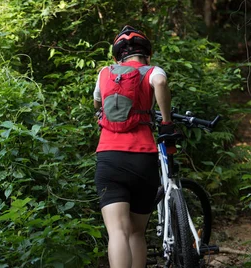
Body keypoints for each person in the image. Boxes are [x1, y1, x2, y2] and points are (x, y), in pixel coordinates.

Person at [92, 25, 174, 268]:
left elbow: (97, 103)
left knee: (117, 231)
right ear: (146, 53)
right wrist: (166, 122)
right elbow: (159, 83)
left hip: (109, 157)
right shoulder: (151, 71)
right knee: (136, 233)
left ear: (118, 56)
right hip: (143, 158)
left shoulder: (105, 72)